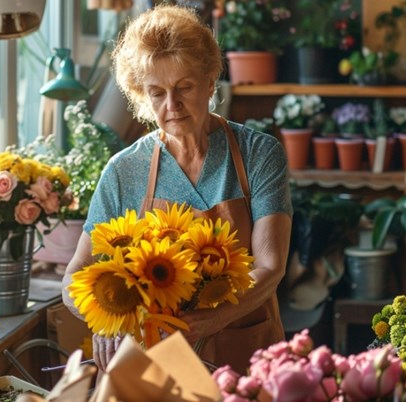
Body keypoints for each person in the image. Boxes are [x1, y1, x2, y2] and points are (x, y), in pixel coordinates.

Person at [61, 4, 293, 375]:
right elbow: (74, 276)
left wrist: (215, 318)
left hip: (248, 352)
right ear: (141, 95)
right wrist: (106, 319)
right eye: (157, 93)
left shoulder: (257, 154)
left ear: (210, 80)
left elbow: (270, 266)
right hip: (159, 363)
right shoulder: (125, 171)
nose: (172, 106)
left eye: (184, 87)